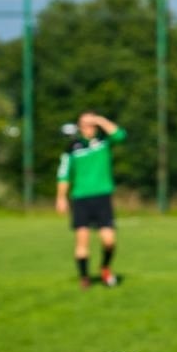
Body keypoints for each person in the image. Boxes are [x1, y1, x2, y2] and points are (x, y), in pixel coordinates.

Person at [56, 111, 126, 291]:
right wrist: (61, 197)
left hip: (102, 197)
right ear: (79, 127)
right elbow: (64, 175)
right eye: (85, 124)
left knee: (109, 241)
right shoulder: (72, 148)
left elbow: (120, 135)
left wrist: (100, 120)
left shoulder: (103, 141)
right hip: (81, 198)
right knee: (82, 241)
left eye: (92, 124)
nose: (89, 128)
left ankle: (105, 267)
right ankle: (84, 277)